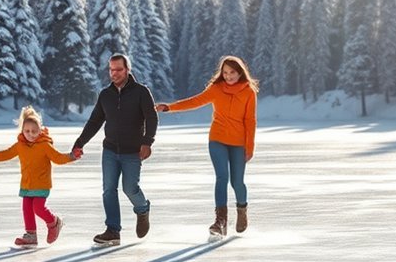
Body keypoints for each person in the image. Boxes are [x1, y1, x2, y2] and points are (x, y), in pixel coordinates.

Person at [156, 55, 258, 237]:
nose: (228, 76)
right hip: (217, 139)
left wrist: (249, 147)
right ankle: (221, 221)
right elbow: (195, 101)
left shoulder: (248, 92)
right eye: (225, 73)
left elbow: (250, 121)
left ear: (240, 72)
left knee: (237, 182)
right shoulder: (216, 89)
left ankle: (242, 210)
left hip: (238, 143)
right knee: (221, 177)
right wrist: (170, 107)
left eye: (232, 72)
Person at [72, 53, 158, 246]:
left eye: (118, 69)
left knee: (130, 188)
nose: (114, 73)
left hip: (132, 152)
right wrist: (80, 142)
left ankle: (142, 209)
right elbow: (94, 121)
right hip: (110, 150)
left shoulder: (141, 92)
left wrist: (147, 142)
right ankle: (113, 230)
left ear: (127, 70)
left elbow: (151, 118)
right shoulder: (106, 95)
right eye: (111, 70)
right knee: (109, 190)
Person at [0, 106, 76, 248]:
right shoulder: (20, 146)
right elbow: (4, 154)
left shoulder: (44, 145)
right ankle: (31, 235)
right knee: (27, 208)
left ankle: (54, 222)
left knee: (38, 208)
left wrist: (72, 156)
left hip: (42, 184)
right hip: (26, 184)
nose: (30, 134)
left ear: (40, 130)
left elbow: (58, 158)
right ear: (22, 131)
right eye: (27, 131)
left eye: (34, 131)